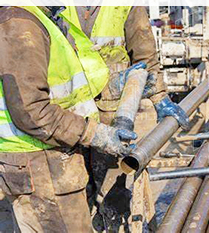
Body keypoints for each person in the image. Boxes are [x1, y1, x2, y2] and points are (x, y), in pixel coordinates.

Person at [0, 6, 188, 232]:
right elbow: (32, 109)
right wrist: (94, 133)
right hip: (44, 158)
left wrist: (124, 87)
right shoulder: (24, 22)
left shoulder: (50, 15)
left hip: (82, 134)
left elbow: (72, 81)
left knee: (110, 197)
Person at [61, 6, 190, 230]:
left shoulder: (125, 4)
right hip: (69, 115)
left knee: (111, 189)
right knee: (73, 191)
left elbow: (144, 53)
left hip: (113, 115)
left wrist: (159, 97)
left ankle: (114, 225)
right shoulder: (55, 6)